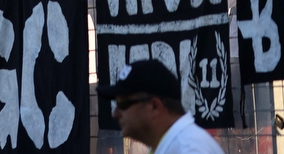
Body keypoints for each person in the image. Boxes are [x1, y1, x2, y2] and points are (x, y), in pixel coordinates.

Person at [96, 60, 225, 154]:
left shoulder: (189, 149)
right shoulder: (174, 144)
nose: (115, 113)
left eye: (122, 104)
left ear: (154, 106)